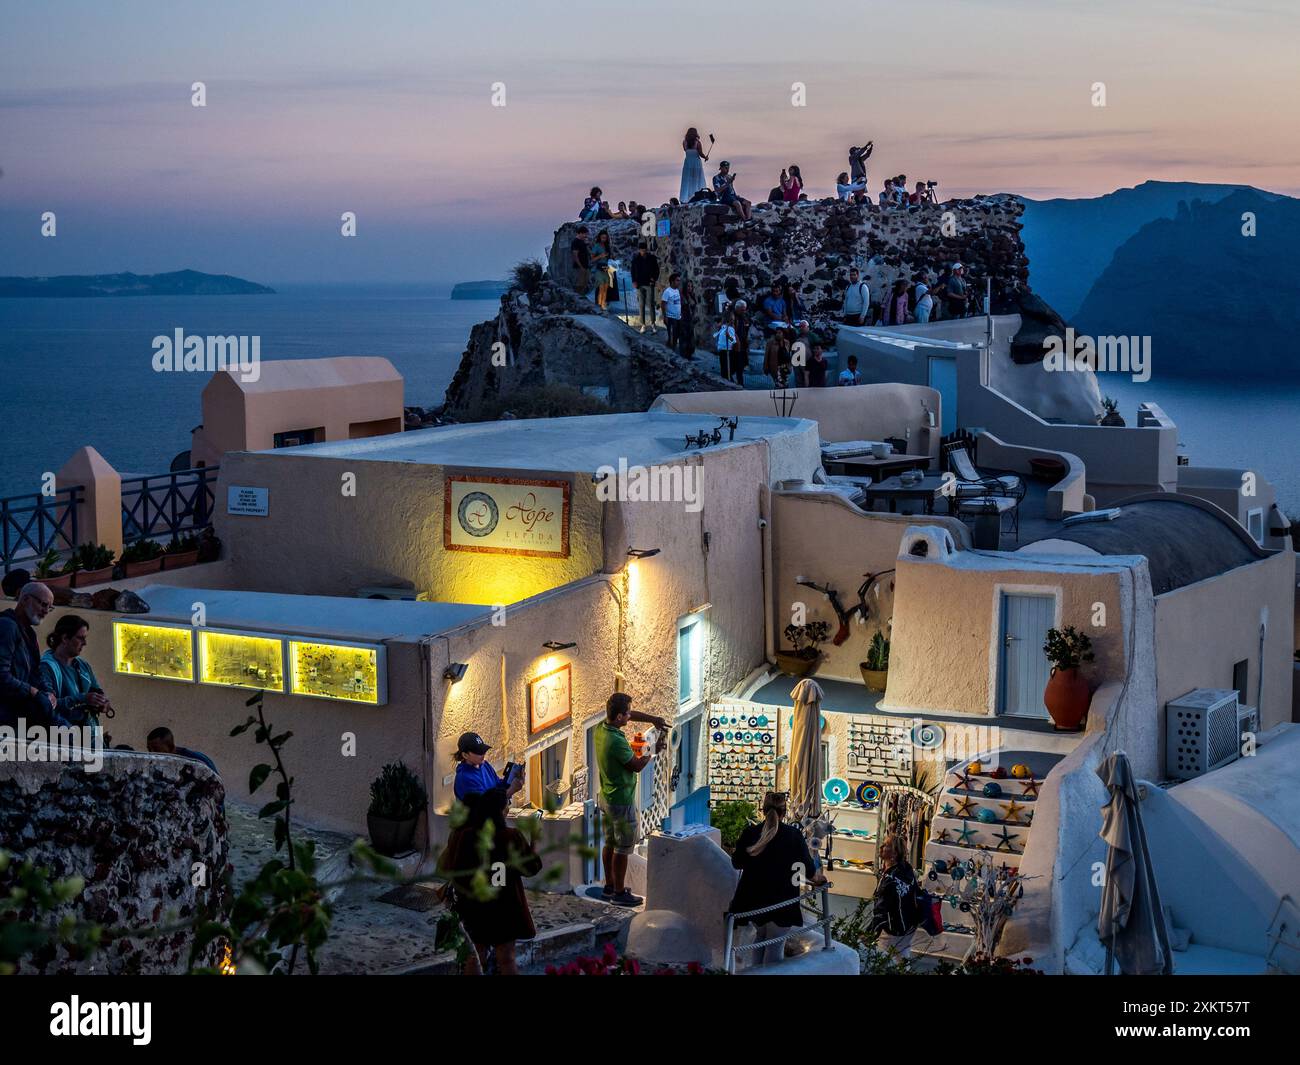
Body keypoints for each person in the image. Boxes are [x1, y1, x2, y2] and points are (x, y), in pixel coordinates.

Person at [439, 787, 543, 975]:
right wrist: (534, 840)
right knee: (507, 958)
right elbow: (531, 868)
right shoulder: (511, 837)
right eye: (507, 806)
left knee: (475, 957)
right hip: (504, 907)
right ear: (500, 811)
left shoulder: (467, 836)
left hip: (475, 906)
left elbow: (457, 870)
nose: (508, 809)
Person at [728, 792, 826, 966]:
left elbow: (737, 863)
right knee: (774, 948)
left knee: (760, 938)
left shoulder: (750, 833)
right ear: (783, 812)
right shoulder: (793, 835)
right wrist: (818, 879)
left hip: (754, 902)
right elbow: (808, 869)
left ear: (763, 810)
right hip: (782, 902)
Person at [593, 692, 668, 906]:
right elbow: (635, 766)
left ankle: (609, 886)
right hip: (621, 801)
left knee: (609, 842)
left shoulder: (601, 728)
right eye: (626, 715)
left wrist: (653, 719)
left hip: (606, 796)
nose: (629, 717)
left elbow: (630, 713)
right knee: (623, 848)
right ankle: (619, 892)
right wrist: (653, 750)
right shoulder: (616, 741)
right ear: (618, 717)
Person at [39, 614, 111, 730]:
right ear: (65, 638)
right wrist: (83, 699)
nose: (84, 643)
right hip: (63, 736)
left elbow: (96, 690)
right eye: (80, 638)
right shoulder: (46, 668)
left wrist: (102, 703)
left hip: (89, 733)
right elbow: (47, 705)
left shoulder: (83, 665)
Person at [0, 581, 56, 728]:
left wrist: (48, 692)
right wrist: (33, 692)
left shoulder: (29, 633)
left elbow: (35, 672)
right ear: (25, 599)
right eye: (43, 604)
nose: (45, 611)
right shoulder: (7, 626)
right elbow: (1, 676)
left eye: (49, 608)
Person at [868, 833, 921, 956]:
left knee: (882, 960)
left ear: (894, 854)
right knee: (902, 957)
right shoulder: (907, 868)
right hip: (909, 925)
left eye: (886, 845)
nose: (881, 847)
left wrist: (869, 933)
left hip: (894, 929)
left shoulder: (889, 880)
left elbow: (881, 911)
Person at [452, 730, 525, 804]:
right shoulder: (465, 778)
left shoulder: (484, 765)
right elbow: (485, 807)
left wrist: (512, 780)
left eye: (483, 750)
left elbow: (498, 787)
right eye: (478, 752)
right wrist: (511, 790)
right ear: (465, 755)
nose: (483, 754)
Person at [146, 726, 218, 775]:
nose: (151, 754)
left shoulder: (198, 762)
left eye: (156, 750)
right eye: (149, 750)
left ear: (171, 747)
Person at [630, 240, 660, 333]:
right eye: (641, 250)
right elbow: (632, 271)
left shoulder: (652, 258)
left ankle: (653, 323)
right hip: (639, 284)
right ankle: (643, 324)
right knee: (641, 304)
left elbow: (656, 270)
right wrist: (634, 281)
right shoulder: (636, 259)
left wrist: (654, 279)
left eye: (644, 249)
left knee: (651, 304)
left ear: (646, 249)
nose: (643, 251)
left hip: (649, 283)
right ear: (639, 250)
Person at [680, 128, 711, 203]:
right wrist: (705, 157)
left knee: (687, 180)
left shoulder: (684, 142)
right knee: (697, 179)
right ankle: (698, 197)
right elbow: (700, 153)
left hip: (688, 163)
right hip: (696, 163)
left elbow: (685, 150)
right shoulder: (698, 142)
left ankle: (686, 198)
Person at [590, 230, 614, 309]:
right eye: (602, 237)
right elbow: (592, 259)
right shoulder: (597, 246)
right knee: (600, 286)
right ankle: (599, 305)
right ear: (600, 237)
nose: (604, 239)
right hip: (599, 268)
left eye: (605, 238)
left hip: (606, 268)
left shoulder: (607, 246)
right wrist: (600, 256)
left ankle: (603, 304)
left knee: (606, 287)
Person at [731, 300, 751, 385]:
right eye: (742, 310)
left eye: (744, 310)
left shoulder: (743, 316)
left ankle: (740, 383)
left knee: (741, 366)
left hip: (742, 344)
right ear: (737, 308)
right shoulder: (732, 317)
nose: (744, 311)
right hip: (735, 345)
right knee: (735, 365)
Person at [661, 272, 683, 351]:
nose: (679, 282)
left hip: (678, 317)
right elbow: (663, 304)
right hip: (670, 317)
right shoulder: (667, 291)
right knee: (672, 335)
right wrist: (665, 316)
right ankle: (671, 350)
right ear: (672, 281)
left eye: (679, 280)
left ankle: (672, 347)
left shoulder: (677, 290)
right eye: (677, 280)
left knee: (677, 334)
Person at [678, 278, 698, 358]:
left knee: (691, 340)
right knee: (684, 339)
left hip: (690, 321)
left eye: (691, 286)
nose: (690, 288)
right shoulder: (682, 296)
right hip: (684, 320)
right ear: (685, 287)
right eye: (688, 286)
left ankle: (689, 354)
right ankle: (684, 356)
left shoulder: (692, 296)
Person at [714, 314, 738, 379]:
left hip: (727, 351)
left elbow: (733, 341)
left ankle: (729, 381)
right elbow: (715, 335)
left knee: (726, 369)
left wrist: (729, 336)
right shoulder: (723, 328)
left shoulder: (730, 329)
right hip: (721, 351)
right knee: (723, 368)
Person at [570, 225, 591, 297]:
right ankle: (578, 297)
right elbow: (575, 255)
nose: (586, 236)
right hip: (579, 266)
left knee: (585, 282)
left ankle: (583, 296)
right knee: (580, 283)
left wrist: (586, 244)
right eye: (585, 234)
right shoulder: (575, 242)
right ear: (581, 233)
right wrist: (581, 266)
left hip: (585, 265)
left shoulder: (582, 241)